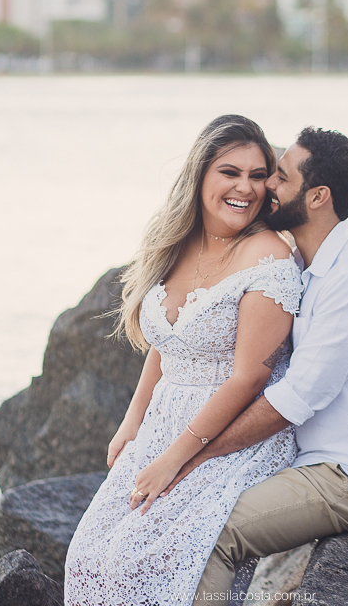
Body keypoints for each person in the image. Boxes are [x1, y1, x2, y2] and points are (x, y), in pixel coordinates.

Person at [64, 115, 303, 606]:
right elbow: (168, 342)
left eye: (258, 176)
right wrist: (132, 423)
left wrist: (175, 460)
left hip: (231, 434)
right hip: (163, 422)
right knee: (85, 556)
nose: (245, 188)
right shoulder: (176, 244)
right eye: (230, 172)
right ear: (199, 175)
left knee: (136, 560)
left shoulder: (269, 257)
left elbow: (249, 377)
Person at [160, 126, 348, 601]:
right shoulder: (303, 263)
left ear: (318, 197)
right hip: (302, 458)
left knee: (210, 530)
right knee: (177, 507)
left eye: (282, 176)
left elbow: (293, 400)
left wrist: (198, 455)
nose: (267, 184)